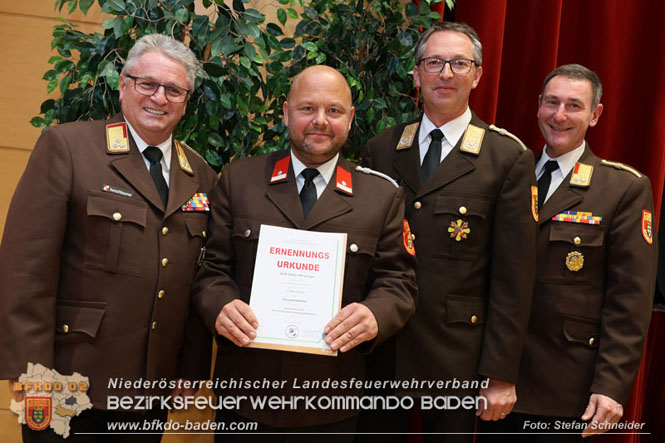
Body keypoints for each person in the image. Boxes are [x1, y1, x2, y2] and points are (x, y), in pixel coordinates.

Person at [0, 33, 217, 442]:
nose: (159, 97)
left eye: (173, 89)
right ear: (122, 85)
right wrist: (30, 369)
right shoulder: (69, 147)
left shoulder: (201, 176)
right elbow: (25, 267)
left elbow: (196, 281)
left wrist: (190, 370)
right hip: (66, 378)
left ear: (186, 100)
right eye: (146, 83)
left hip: (148, 389)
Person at [191, 65, 418, 441]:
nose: (320, 121)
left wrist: (374, 314)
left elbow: (399, 282)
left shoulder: (381, 195)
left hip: (331, 397)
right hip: (247, 394)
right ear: (285, 112)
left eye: (334, 110)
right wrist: (220, 306)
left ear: (350, 117)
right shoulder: (239, 180)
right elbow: (212, 269)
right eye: (307, 108)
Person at [359, 21, 538, 441]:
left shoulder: (507, 157)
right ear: (416, 74)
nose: (445, 74)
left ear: (477, 75)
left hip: (458, 356)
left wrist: (499, 373)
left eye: (459, 63)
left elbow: (515, 277)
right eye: (434, 62)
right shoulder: (381, 149)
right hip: (383, 351)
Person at [479, 64, 657, 442]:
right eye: (552, 103)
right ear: (538, 107)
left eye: (574, 106)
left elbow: (630, 301)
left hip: (565, 386)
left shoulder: (622, 188)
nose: (559, 116)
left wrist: (610, 385)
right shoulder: (507, 173)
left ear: (595, 115)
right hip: (492, 378)